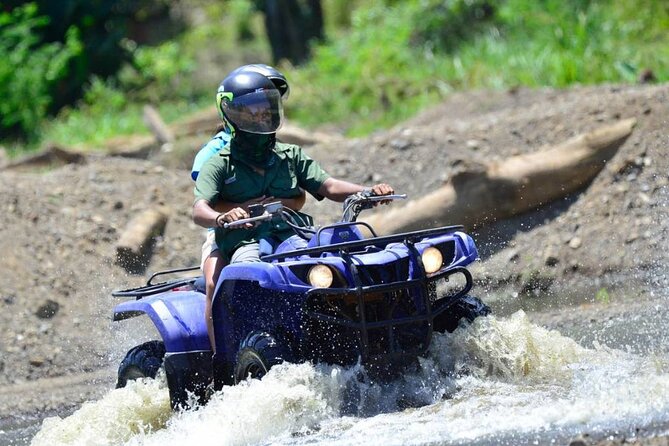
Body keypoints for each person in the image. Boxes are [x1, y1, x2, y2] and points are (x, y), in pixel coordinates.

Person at [192, 68, 394, 350]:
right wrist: (224, 216)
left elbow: (329, 186)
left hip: (289, 234)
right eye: (253, 111)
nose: (262, 116)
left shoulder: (290, 155)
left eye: (267, 109)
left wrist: (367, 191)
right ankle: (231, 358)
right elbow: (200, 208)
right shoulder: (216, 159)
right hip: (243, 239)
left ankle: (358, 332)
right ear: (232, 113)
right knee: (242, 278)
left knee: (328, 263)